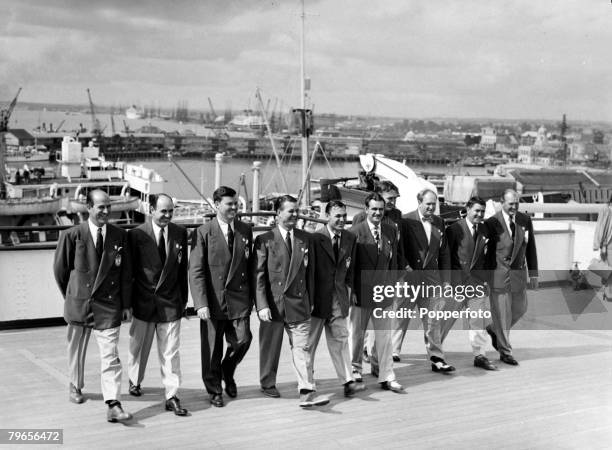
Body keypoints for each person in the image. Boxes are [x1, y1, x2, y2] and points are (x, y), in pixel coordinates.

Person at [53, 189, 133, 423]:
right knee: (76, 350)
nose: (106, 211)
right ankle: (75, 385)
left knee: (111, 355)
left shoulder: (120, 236)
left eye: (108, 206)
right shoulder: (72, 235)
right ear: (89, 208)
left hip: (108, 305)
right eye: (101, 207)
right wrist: (72, 295)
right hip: (80, 302)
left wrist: (126, 304)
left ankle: (113, 403)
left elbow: (125, 273)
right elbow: (60, 270)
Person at [253, 195, 327, 407]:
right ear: (278, 214)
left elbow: (311, 273)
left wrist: (310, 299)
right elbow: (258, 276)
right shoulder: (265, 239)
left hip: (299, 303)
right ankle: (267, 382)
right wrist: (262, 305)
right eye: (290, 211)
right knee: (270, 347)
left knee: (302, 348)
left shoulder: (306, 239)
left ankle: (306, 390)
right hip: (273, 305)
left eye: (296, 211)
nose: (295, 215)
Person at [189, 186, 254, 408]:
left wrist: (253, 299)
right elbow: (195, 270)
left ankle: (228, 369)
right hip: (213, 300)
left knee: (243, 339)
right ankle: (215, 389)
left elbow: (250, 265)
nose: (234, 208)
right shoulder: (203, 232)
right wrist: (200, 303)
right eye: (229, 204)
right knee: (211, 349)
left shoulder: (245, 230)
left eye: (235, 204)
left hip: (239, 299)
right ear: (217, 205)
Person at [127, 194, 189, 416]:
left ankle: (171, 396)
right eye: (163, 211)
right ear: (151, 209)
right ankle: (135, 380)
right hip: (143, 302)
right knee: (138, 347)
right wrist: (128, 304)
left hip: (171, 303)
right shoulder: (136, 235)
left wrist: (183, 301)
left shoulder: (180, 233)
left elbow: (183, 271)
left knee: (171, 353)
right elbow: (129, 273)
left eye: (171, 211)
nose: (168, 215)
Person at [309, 200, 365, 397]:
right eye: (337, 216)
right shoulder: (315, 238)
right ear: (327, 216)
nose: (342, 220)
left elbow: (352, 268)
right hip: (316, 300)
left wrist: (350, 291)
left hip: (338, 298)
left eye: (344, 216)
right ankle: (308, 383)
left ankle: (347, 380)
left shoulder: (349, 238)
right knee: (309, 344)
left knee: (340, 340)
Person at [348, 193, 403, 392]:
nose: (378, 212)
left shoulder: (390, 230)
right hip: (361, 292)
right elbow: (350, 266)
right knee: (356, 335)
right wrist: (352, 290)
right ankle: (355, 372)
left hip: (383, 292)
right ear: (366, 209)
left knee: (384, 337)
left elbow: (394, 262)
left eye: (381, 209)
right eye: (374, 209)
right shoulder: (355, 232)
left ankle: (387, 375)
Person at [396, 189, 453, 372]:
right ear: (419, 202)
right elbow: (399, 249)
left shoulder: (439, 222)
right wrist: (405, 269)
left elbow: (444, 253)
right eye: (428, 204)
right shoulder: (406, 221)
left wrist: (446, 280)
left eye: (433, 204)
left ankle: (437, 357)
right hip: (410, 278)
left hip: (432, 279)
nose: (431, 207)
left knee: (433, 320)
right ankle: (391, 351)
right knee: (401, 316)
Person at [441, 197, 497, 371]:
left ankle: (480, 355)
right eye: (476, 211)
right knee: (446, 320)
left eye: (482, 211)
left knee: (477, 321)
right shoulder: (454, 229)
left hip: (477, 282)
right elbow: (446, 257)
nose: (479, 214)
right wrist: (447, 282)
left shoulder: (485, 230)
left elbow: (489, 259)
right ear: (468, 209)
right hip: (457, 282)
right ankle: (434, 352)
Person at [484, 189, 538, 365]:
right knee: (503, 315)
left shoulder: (525, 220)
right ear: (502, 203)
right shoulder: (492, 223)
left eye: (516, 203)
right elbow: (485, 252)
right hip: (498, 275)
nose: (514, 206)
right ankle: (505, 351)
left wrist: (534, 274)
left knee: (520, 309)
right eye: (510, 203)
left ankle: (494, 330)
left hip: (518, 275)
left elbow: (531, 249)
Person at [593, 196, 612, 301]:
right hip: (608, 246)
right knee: (608, 271)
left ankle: (608, 294)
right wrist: (599, 245)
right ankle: (608, 294)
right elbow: (600, 227)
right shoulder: (606, 209)